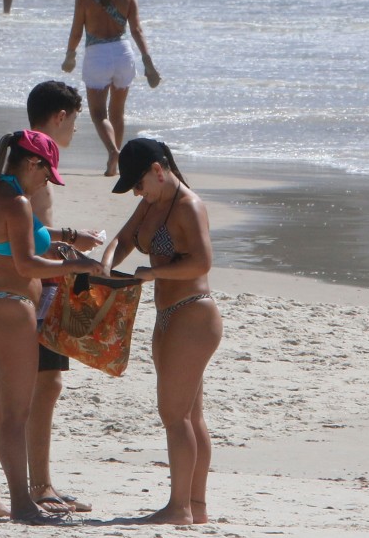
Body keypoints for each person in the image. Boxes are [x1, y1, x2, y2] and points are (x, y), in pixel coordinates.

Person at [0, 129, 103, 524]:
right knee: (15, 416)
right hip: (10, 310)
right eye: (46, 172)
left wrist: (69, 241)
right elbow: (27, 264)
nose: (47, 179)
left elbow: (20, 246)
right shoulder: (19, 202)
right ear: (31, 163)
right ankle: (23, 505)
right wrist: (75, 265)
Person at [101, 138, 222, 526]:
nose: (138, 192)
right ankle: (196, 507)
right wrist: (102, 265)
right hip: (169, 314)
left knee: (175, 415)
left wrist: (155, 273)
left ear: (158, 169)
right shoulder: (153, 203)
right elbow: (122, 241)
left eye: (138, 184)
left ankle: (179, 507)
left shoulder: (189, 205)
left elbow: (203, 261)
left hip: (193, 313)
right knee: (189, 414)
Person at [19, 81, 101, 515]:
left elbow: (34, 231)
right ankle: (39, 485)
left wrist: (70, 238)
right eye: (76, 119)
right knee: (41, 386)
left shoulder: (27, 159)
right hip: (36, 288)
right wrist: (72, 254)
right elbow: (24, 239)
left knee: (44, 385)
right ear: (59, 117)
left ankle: (40, 483)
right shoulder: (35, 164)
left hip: (41, 284)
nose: (76, 130)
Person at [62, 0, 160, 176]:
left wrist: (70, 55)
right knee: (117, 112)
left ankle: (113, 151)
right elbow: (136, 30)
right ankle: (118, 165)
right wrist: (147, 61)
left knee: (98, 113)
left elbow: (77, 31)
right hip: (123, 54)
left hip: (97, 56)